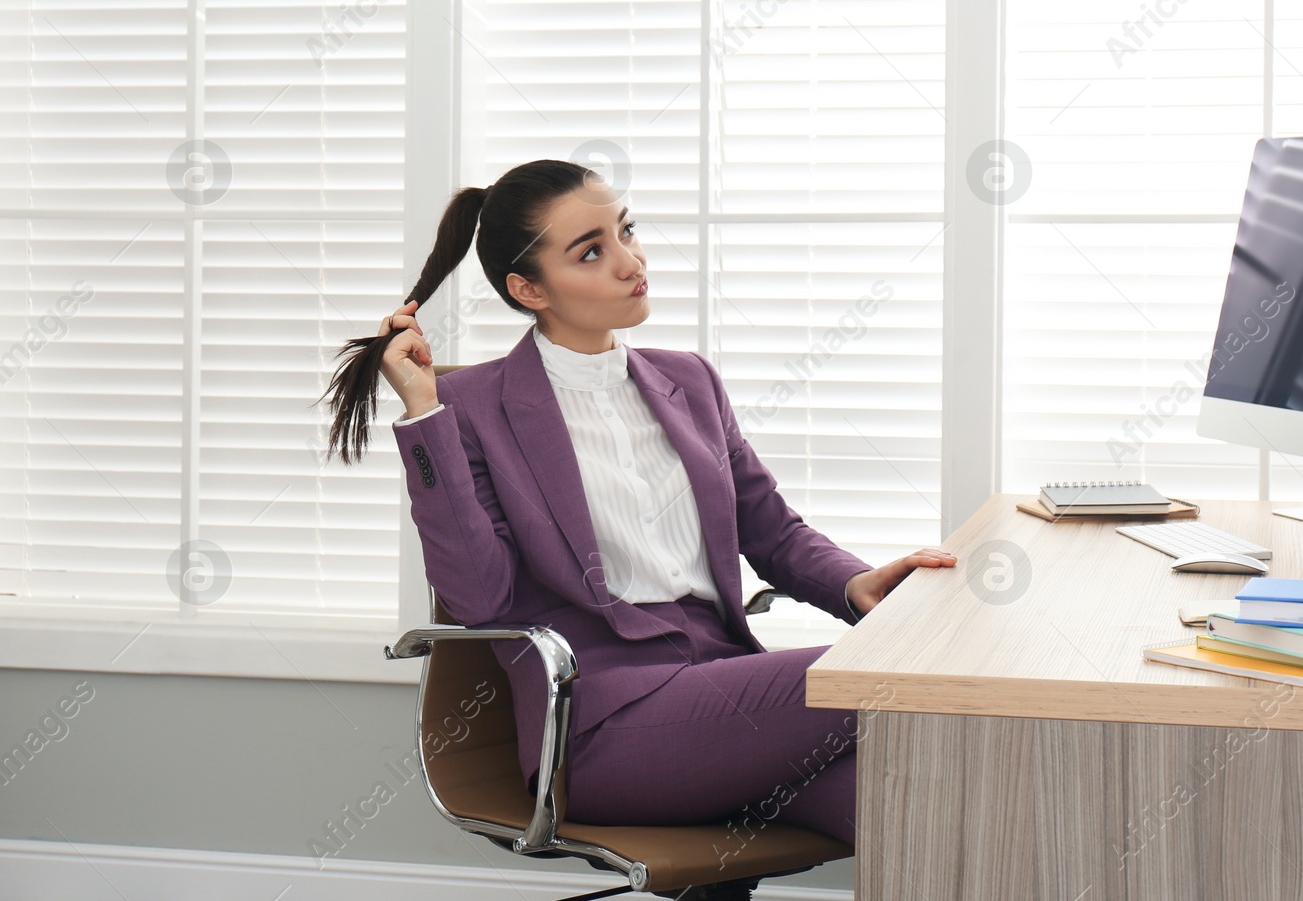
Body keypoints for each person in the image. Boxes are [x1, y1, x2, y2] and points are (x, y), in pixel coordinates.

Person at [318, 159, 957, 844]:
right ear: (528, 288)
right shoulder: (471, 407)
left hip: (724, 686)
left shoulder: (690, 380)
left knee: (927, 813)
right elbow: (477, 595)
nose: (630, 261)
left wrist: (855, 583)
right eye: (592, 250)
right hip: (603, 723)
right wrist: (424, 415)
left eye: (626, 231)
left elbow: (769, 528)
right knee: (887, 676)